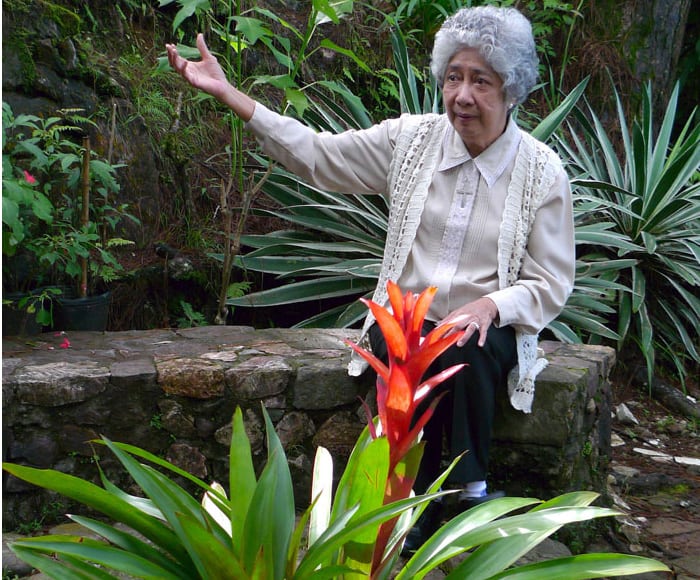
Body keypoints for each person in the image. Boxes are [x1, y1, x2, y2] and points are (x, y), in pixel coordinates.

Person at [166, 5, 575, 551]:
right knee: (410, 349)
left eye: (481, 80)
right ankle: (400, 510)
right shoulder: (411, 142)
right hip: (403, 320)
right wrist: (229, 96)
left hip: (483, 331)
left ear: (513, 88)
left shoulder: (541, 172)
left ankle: (464, 495)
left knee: (463, 350)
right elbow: (317, 155)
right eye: (454, 76)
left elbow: (550, 282)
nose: (463, 95)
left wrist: (490, 305)